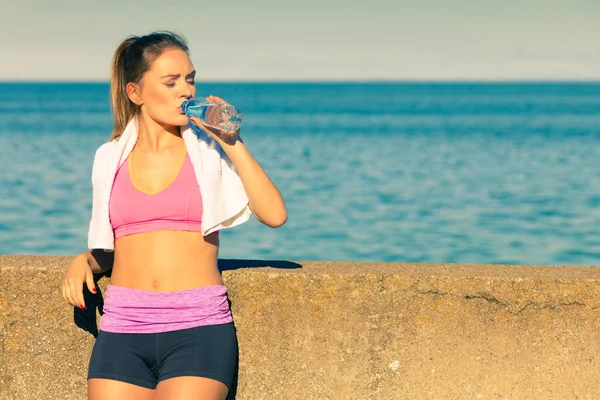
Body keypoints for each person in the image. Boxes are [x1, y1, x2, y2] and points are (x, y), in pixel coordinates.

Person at [61, 31, 287, 400]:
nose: (186, 90)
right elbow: (115, 247)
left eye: (190, 78)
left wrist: (233, 142)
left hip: (196, 328)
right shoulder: (110, 159)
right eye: (171, 81)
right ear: (135, 93)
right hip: (122, 328)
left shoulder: (208, 153)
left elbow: (274, 215)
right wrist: (84, 259)